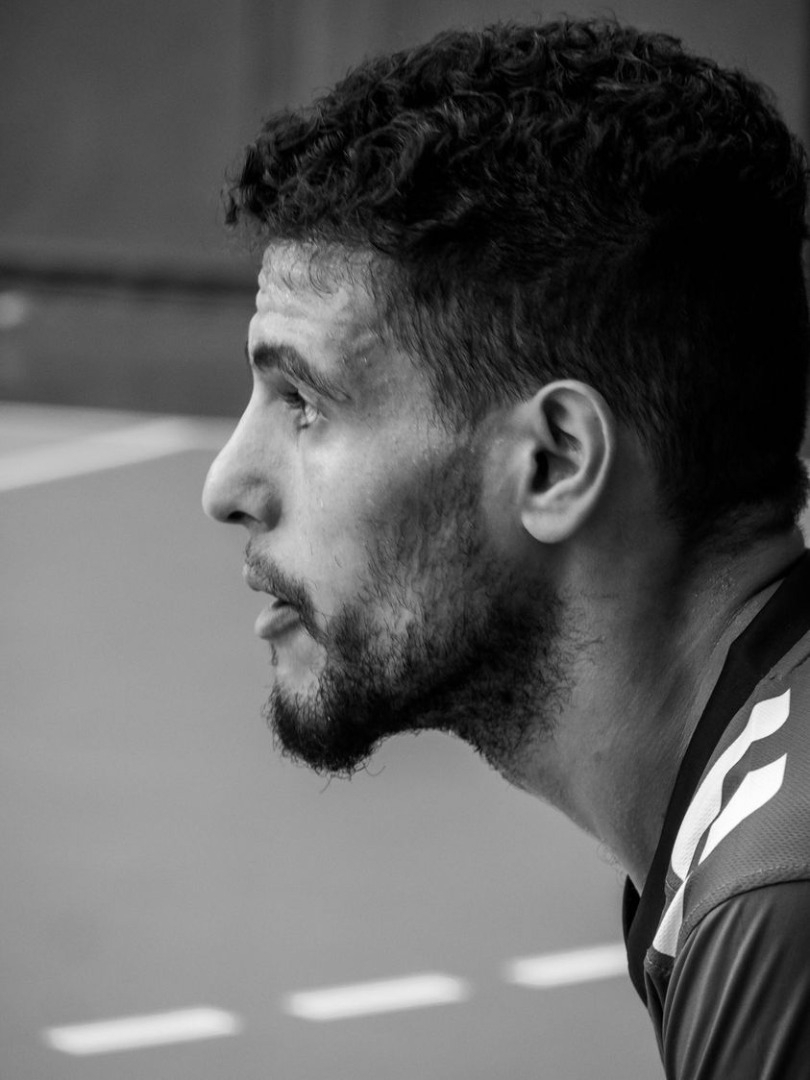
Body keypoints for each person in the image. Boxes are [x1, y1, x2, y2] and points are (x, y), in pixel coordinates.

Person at [202, 17, 810, 1078]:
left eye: (304, 401)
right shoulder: (743, 820)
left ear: (555, 462)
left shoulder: (779, 894)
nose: (228, 487)